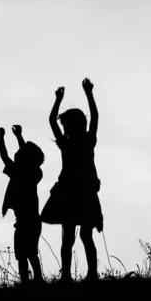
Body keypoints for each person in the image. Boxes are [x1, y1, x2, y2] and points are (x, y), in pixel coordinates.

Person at [41, 78, 103, 283]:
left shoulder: (73, 143)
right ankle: (79, 275)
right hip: (79, 192)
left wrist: (58, 99)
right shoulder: (84, 141)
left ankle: (75, 275)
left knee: (71, 237)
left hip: (75, 192)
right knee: (82, 236)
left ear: (68, 127)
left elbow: (52, 120)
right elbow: (94, 116)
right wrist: (88, 93)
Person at [0, 124, 45, 285]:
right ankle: (27, 280)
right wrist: (6, 138)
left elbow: (8, 156)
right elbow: (9, 156)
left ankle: (37, 279)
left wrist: (10, 138)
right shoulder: (24, 171)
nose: (16, 154)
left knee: (29, 253)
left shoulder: (31, 173)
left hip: (30, 221)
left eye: (19, 154)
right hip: (24, 221)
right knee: (22, 255)